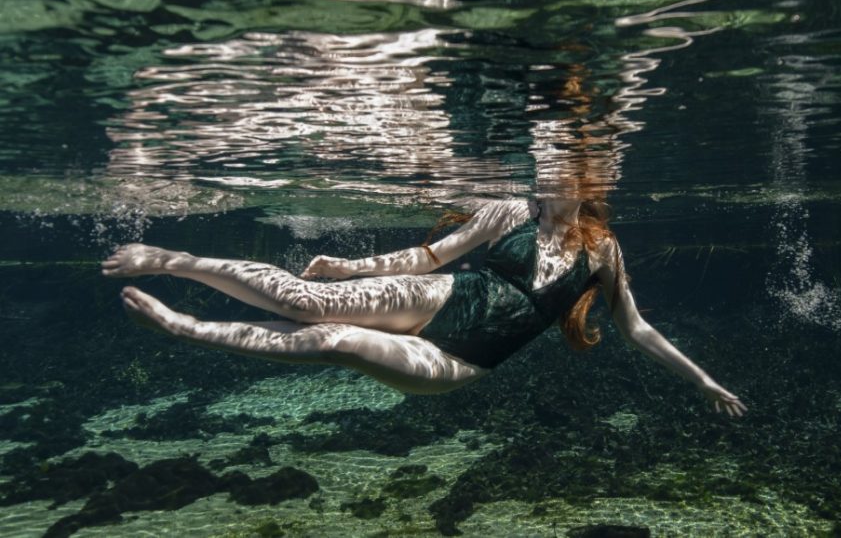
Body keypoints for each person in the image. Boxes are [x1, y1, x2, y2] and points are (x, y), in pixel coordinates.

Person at [102, 198, 747, 416]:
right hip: (441, 297)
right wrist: (351, 267)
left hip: (459, 359)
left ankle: (187, 329)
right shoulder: (509, 211)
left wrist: (704, 381)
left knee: (335, 340)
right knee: (307, 299)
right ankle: (169, 259)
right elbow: (429, 257)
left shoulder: (603, 250)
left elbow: (635, 327)